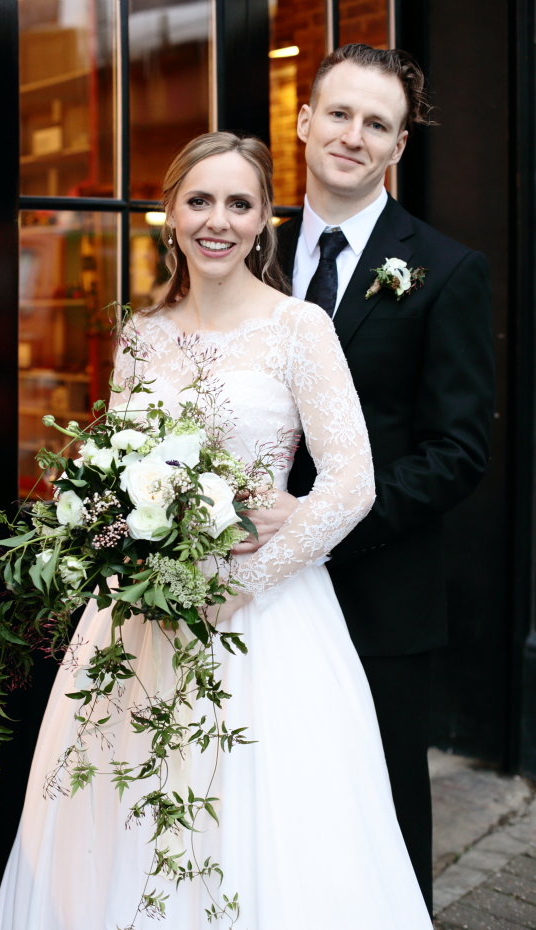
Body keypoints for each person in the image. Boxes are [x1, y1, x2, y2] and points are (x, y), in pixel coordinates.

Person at [0, 131, 433, 929]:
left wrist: (236, 585)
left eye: (239, 203)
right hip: (141, 620)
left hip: (263, 617)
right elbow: (117, 477)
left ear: (265, 219)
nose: (217, 220)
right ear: (170, 214)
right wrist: (115, 550)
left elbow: (352, 481)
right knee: (128, 817)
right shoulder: (142, 335)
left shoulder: (301, 329)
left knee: (260, 825)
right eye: (200, 200)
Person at [238, 44, 495, 911]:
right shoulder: (244, 248)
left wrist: (324, 520)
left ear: (397, 149)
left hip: (380, 593)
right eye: (339, 114)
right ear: (304, 122)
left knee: (379, 810)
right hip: (251, 590)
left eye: (376, 124)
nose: (353, 135)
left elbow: (459, 450)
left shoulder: (447, 269)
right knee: (265, 799)